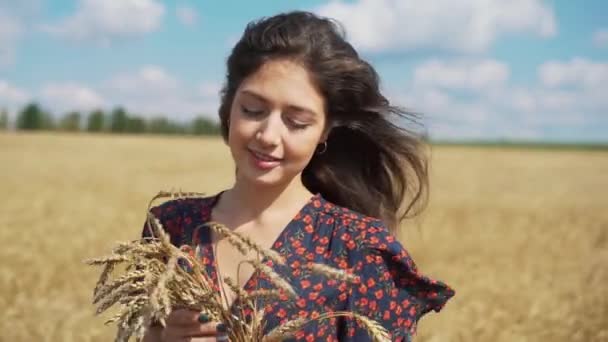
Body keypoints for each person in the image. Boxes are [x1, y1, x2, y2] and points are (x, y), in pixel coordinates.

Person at [142, 10, 454, 342]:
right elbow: (139, 330)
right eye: (252, 110)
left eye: (296, 121)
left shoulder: (361, 250)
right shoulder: (168, 229)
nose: (268, 135)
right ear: (229, 105)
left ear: (324, 131)